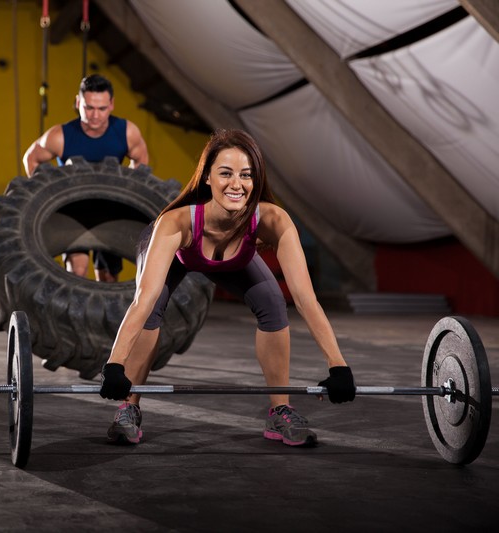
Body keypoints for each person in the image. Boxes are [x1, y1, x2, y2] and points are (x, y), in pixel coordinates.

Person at [99, 129, 355, 447]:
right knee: (151, 308)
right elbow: (143, 299)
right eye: (226, 173)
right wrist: (114, 365)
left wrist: (338, 365)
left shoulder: (274, 220)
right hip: (178, 253)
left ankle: (280, 411)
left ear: (256, 179)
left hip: (233, 257)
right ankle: (129, 408)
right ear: (207, 177)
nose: (237, 184)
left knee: (273, 302)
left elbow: (305, 298)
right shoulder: (175, 223)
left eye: (246, 175)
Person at [23, 74, 149, 282]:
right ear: (78, 103)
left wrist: (125, 193)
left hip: (110, 212)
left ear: (111, 104)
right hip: (73, 213)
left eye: (102, 108)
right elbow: (31, 159)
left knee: (108, 278)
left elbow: (141, 163)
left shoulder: (127, 132)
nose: (95, 115)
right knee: (78, 272)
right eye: (89, 107)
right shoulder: (60, 135)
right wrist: (51, 194)